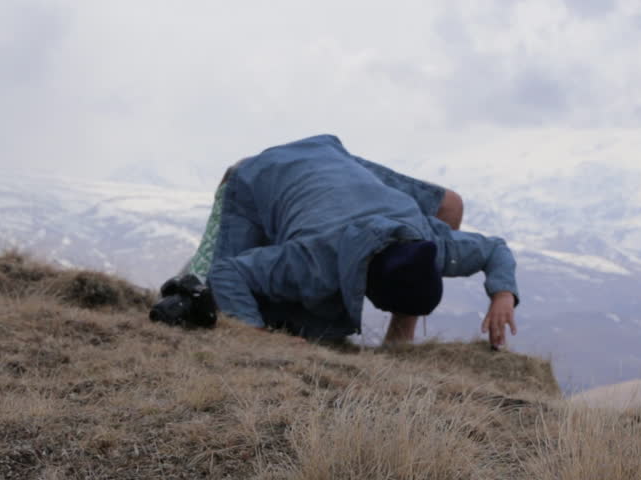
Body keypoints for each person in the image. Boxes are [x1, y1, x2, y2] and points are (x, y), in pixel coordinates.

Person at [184, 134, 519, 347]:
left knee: (450, 204)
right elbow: (229, 273)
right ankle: (236, 175)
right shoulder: (315, 260)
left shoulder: (432, 241)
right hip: (261, 175)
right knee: (213, 296)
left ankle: (398, 343)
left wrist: (503, 293)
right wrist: (257, 336)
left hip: (329, 156)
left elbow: (495, 249)